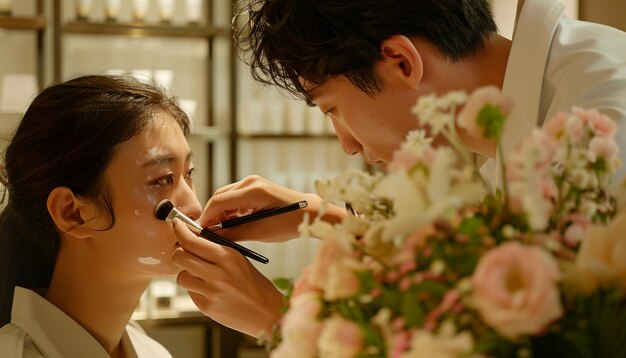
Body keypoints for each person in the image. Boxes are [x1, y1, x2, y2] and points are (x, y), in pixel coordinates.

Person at [171, 0, 626, 339]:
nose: (349, 145)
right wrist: (323, 217)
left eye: (331, 108)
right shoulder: (548, 105)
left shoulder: (599, 137)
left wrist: (278, 320)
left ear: (402, 62)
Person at [0, 75, 274, 357]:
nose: (194, 207)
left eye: (188, 174)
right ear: (72, 213)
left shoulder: (152, 352)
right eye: (162, 179)